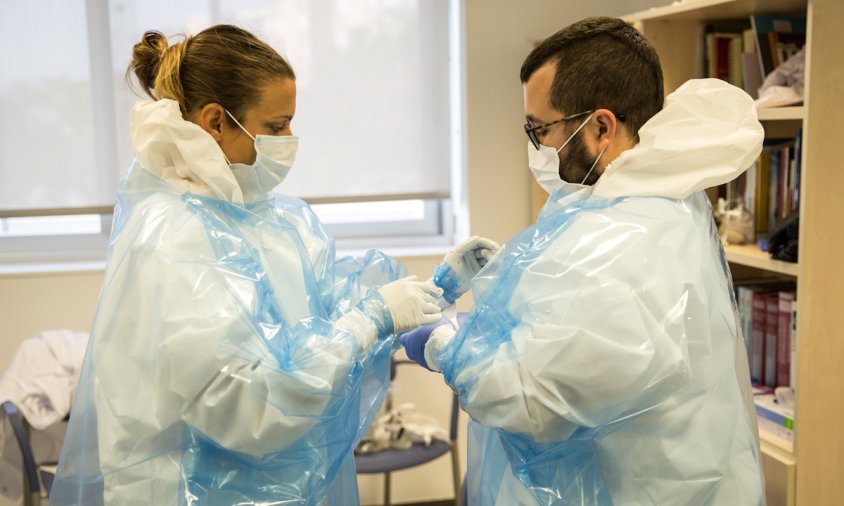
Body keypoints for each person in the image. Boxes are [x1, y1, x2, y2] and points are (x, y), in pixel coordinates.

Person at [49, 24, 492, 505]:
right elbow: (252, 404)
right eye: (276, 126)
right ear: (215, 121)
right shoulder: (172, 238)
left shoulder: (266, 216)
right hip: (189, 489)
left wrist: (426, 294)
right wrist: (372, 318)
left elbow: (322, 307)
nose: (289, 139)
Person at [403, 17, 766, 505]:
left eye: (541, 129)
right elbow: (591, 339)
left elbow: (528, 401)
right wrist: (506, 289)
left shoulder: (619, 242)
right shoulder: (659, 195)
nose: (536, 147)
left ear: (600, 126)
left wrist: (445, 346)